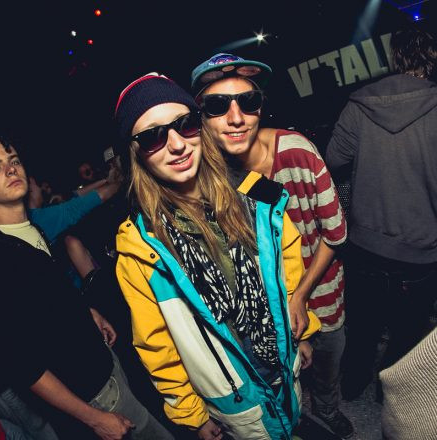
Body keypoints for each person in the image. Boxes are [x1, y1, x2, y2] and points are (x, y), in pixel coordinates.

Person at [114, 72, 320, 440]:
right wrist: (192, 415)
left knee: (292, 422)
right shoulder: (141, 251)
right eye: (152, 137)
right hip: (233, 397)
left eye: (185, 124)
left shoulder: (256, 198)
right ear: (136, 155)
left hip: (282, 362)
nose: (177, 144)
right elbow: (157, 346)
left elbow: (288, 270)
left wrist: (303, 333)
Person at [191, 54, 351, 438]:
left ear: (260, 107)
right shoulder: (205, 176)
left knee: (328, 361)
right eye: (218, 105)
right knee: (280, 383)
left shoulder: (296, 151)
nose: (236, 117)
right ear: (201, 117)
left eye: (248, 102)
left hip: (319, 290)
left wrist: (300, 296)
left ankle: (327, 410)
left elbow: (336, 233)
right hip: (263, 310)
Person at [0, 137, 174, 440]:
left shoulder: (30, 228)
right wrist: (93, 419)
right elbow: (24, 366)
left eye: (14, 161)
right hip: (91, 395)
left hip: (103, 366)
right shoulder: (3, 257)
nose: (11, 170)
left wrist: (87, 311)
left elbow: (46, 298)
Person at [326, 25, 437, 400]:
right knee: (407, 333)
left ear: (394, 56)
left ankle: (353, 384)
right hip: (422, 251)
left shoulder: (361, 103)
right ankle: (389, 395)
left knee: (363, 325)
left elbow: (334, 159)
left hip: (366, 245)